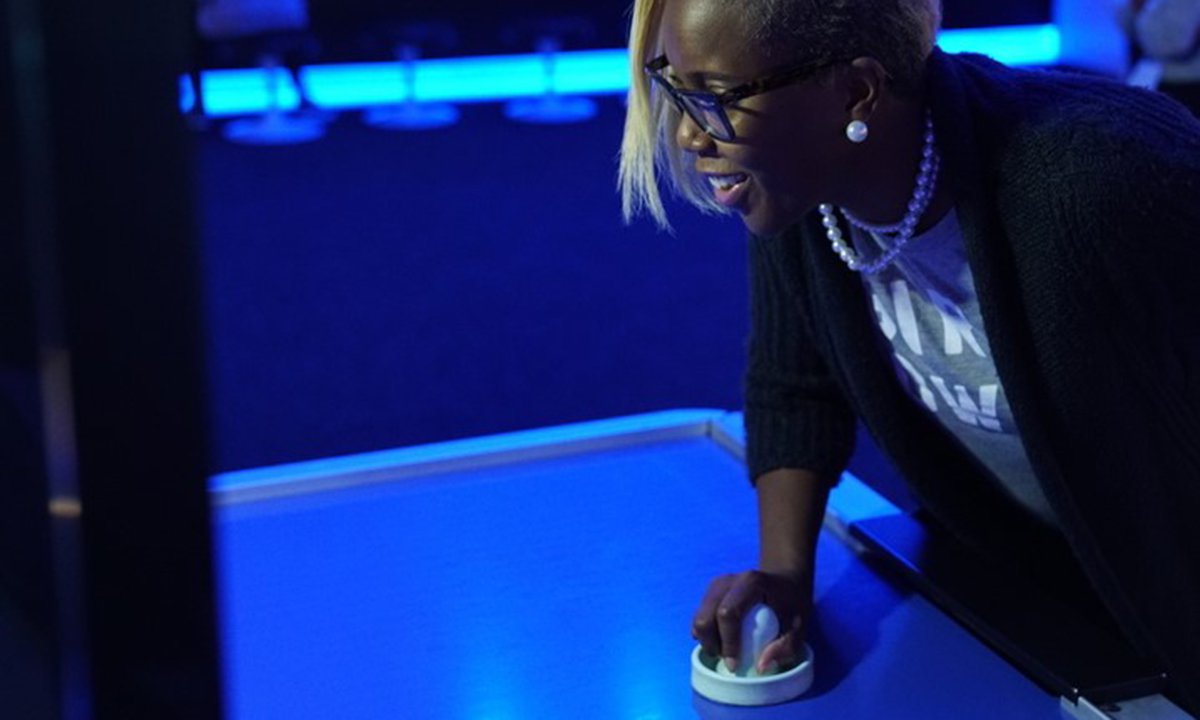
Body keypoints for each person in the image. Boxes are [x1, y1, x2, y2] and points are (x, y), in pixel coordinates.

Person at [618, 0, 1200, 712]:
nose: (685, 132)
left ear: (857, 91)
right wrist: (783, 576)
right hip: (1038, 602)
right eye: (674, 84)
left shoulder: (1108, 180)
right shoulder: (799, 185)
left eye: (715, 97)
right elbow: (796, 382)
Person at [1122, 0, 1200, 115]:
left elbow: (1169, 44)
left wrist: (1142, 11)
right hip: (1165, 79)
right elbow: (1126, 24)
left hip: (1182, 84)